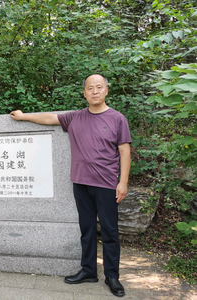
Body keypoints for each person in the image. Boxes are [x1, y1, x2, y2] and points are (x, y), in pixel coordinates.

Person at [10, 74, 131, 297]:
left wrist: (122, 182)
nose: (95, 91)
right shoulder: (76, 117)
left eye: (99, 87)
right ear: (84, 93)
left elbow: (125, 150)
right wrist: (23, 116)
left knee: (110, 231)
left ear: (106, 91)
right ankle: (88, 271)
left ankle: (112, 276)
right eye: (90, 88)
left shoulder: (117, 118)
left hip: (106, 185)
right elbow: (49, 118)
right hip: (81, 183)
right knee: (86, 229)